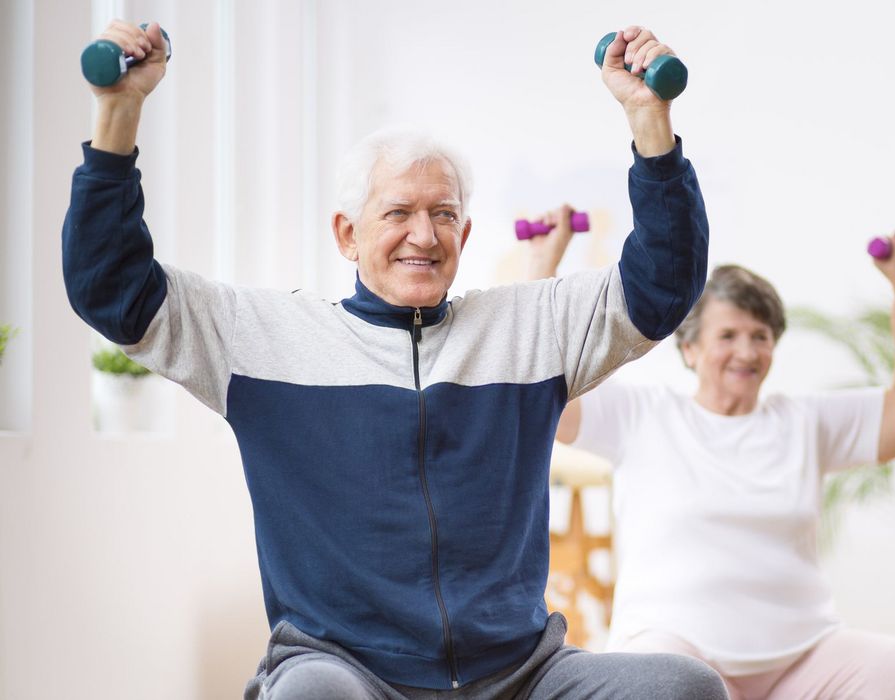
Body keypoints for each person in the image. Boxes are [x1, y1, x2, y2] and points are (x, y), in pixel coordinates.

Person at [63, 20, 728, 700]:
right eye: (398, 213)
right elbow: (112, 288)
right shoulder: (261, 337)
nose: (423, 234)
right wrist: (118, 116)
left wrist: (650, 120)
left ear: (464, 232)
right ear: (347, 235)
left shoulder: (530, 327)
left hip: (518, 674)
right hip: (347, 671)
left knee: (683, 687)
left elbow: (661, 286)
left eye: (443, 214)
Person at [526, 210, 895, 700]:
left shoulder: (805, 422)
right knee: (665, 685)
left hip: (802, 656)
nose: (747, 352)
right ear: (689, 350)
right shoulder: (641, 414)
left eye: (761, 336)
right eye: (728, 336)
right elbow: (543, 386)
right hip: (681, 651)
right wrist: (545, 263)